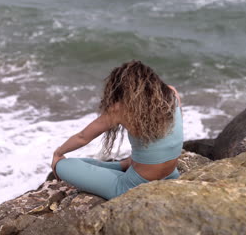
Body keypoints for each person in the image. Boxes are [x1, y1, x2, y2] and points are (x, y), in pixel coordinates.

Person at [51, 60, 183, 200]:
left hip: (133, 186)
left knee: (63, 165)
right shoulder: (171, 93)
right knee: (84, 162)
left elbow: (83, 137)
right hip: (170, 174)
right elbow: (173, 133)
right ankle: (124, 165)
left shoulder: (121, 109)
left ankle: (124, 166)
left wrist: (58, 153)